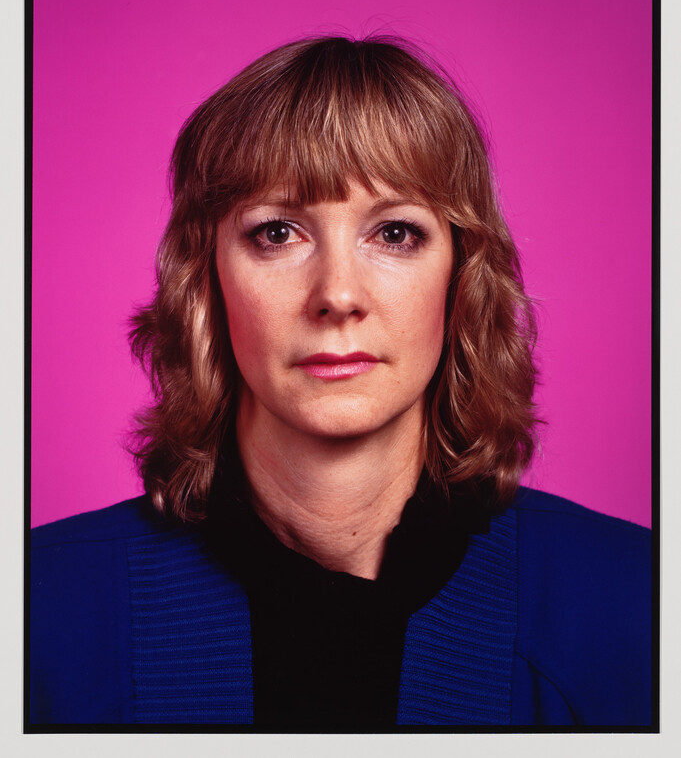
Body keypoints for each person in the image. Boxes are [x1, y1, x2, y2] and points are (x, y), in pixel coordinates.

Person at [30, 36, 651, 730]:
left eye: (393, 233)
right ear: (206, 279)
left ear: (461, 275)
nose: (337, 295)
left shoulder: (639, 605)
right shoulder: (36, 615)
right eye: (276, 233)